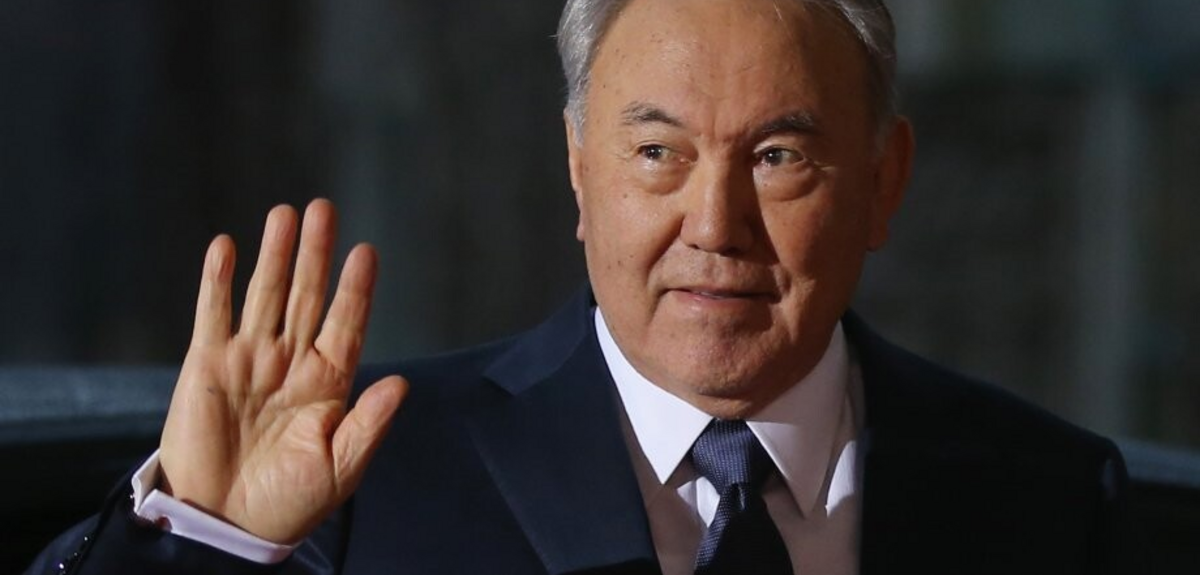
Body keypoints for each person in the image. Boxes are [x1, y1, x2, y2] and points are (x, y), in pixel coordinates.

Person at [28, 0, 1138, 573]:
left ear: (884, 178)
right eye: (657, 153)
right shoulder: (367, 479)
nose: (715, 226)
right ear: (577, 169)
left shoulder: (1044, 495)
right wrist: (199, 538)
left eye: (776, 157)